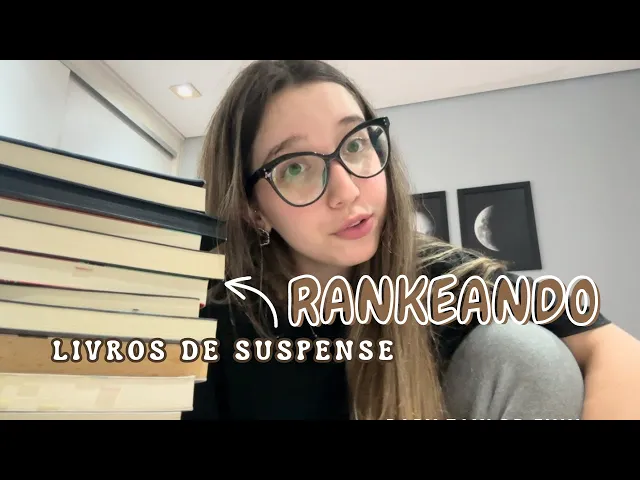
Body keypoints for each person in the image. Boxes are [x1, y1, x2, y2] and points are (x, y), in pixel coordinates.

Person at [182, 60, 640, 420]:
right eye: (296, 167)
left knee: (527, 353)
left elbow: (612, 347)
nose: (347, 190)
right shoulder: (211, 308)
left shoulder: (438, 279)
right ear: (252, 209)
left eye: (355, 144)